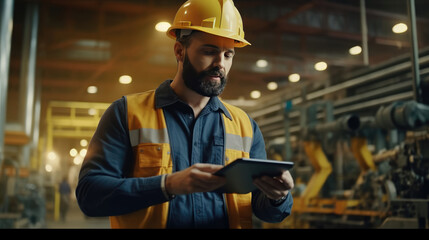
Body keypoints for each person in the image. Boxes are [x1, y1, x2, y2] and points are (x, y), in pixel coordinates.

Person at [76, 0, 294, 229]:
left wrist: (277, 196)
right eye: (209, 51)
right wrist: (167, 185)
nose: (220, 64)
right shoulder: (127, 114)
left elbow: (264, 210)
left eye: (228, 55)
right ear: (180, 51)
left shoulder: (245, 126)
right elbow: (91, 195)